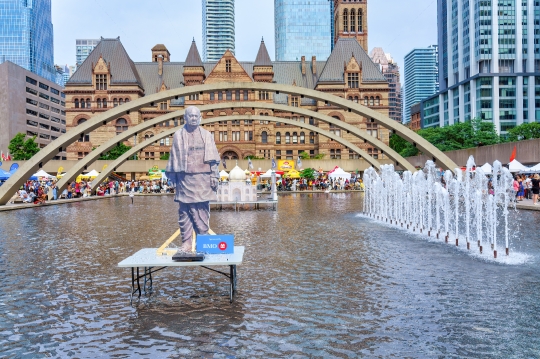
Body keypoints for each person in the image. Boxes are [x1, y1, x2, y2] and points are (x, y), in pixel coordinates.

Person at [166, 106, 220, 252]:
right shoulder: (178, 135)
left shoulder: (207, 135)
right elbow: (174, 158)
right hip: (184, 178)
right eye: (191, 116)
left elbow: (214, 159)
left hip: (203, 178)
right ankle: (187, 243)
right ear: (185, 118)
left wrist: (214, 175)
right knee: (184, 211)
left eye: (196, 116)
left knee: (202, 210)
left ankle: (202, 242)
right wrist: (173, 177)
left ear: (200, 118)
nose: (194, 118)